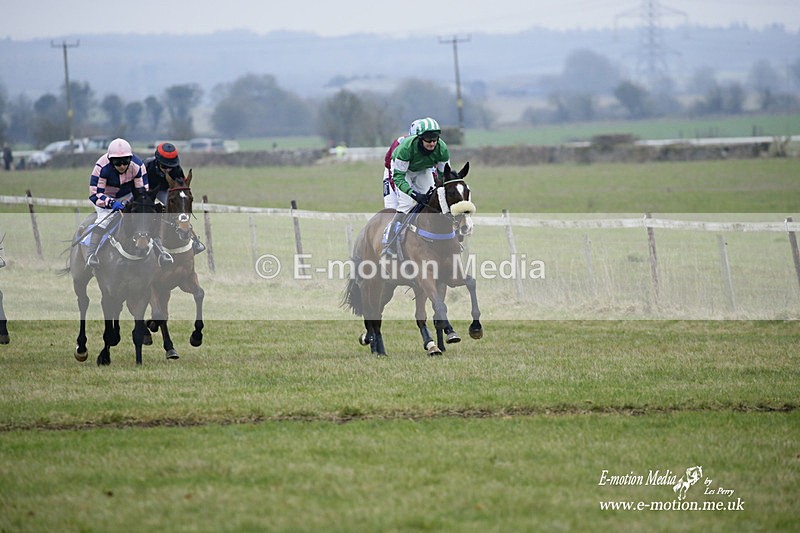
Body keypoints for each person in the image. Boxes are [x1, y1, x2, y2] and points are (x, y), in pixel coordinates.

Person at [84, 138, 170, 267]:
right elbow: (95, 194)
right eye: (118, 163)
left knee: (145, 219)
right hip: (104, 197)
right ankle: (92, 254)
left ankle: (161, 252)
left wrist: (130, 201)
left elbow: (142, 191)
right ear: (111, 160)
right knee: (104, 220)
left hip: (128, 196)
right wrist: (111, 203)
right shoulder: (101, 167)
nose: (122, 166)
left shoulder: (138, 165)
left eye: (125, 162)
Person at [381, 117, 451, 258]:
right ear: (419, 138)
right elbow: (398, 177)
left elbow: (444, 176)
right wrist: (413, 194)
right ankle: (390, 242)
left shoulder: (442, 149)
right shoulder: (405, 148)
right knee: (406, 204)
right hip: (401, 171)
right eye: (428, 139)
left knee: (432, 200)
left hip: (423, 169)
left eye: (435, 138)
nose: (432, 142)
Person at [143, 142, 205, 255]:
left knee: (178, 206)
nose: (167, 169)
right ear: (157, 161)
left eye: (170, 167)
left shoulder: (177, 169)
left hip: (165, 190)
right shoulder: (147, 165)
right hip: (148, 189)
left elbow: (182, 187)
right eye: (164, 166)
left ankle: (194, 239)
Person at [381, 119, 424, 210]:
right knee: (394, 207)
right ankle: (392, 224)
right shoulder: (400, 144)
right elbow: (394, 176)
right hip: (395, 174)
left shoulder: (430, 145)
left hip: (416, 173)